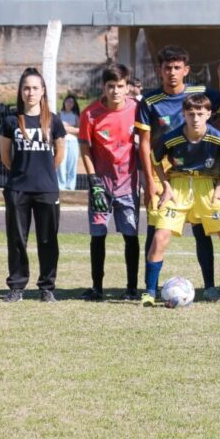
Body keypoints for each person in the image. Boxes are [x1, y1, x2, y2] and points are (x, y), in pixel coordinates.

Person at [136, 45, 220, 300]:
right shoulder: (150, 101)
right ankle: (149, 290)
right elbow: (144, 143)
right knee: (157, 231)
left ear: (186, 70)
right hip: (161, 174)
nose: (172, 72)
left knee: (201, 229)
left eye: (177, 68)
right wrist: (149, 182)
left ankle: (209, 285)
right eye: (167, 68)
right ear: (159, 70)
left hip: (197, 172)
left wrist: (211, 135)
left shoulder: (202, 93)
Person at [142, 94, 220, 307]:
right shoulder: (172, 137)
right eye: (191, 114)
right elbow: (154, 159)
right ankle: (150, 292)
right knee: (160, 237)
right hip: (178, 187)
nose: (195, 118)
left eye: (200, 114)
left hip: (208, 188)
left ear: (208, 114)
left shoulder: (218, 137)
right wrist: (166, 186)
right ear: (184, 115)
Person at [0, 67, 66, 303]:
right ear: (20, 91)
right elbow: (6, 157)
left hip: (46, 189)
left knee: (48, 240)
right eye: (26, 87)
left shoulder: (54, 120)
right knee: (17, 239)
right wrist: (22, 173)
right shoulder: (10, 120)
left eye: (35, 88)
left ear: (43, 91)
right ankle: (17, 287)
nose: (30, 92)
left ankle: (47, 288)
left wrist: (44, 173)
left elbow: (59, 154)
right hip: (18, 189)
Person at [78, 64, 140, 301]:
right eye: (111, 86)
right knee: (98, 235)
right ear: (103, 87)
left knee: (130, 236)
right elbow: (85, 149)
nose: (115, 91)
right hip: (100, 186)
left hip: (129, 185)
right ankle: (97, 287)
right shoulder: (90, 114)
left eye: (120, 86)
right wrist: (93, 181)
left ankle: (132, 288)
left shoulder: (137, 109)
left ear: (128, 87)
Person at [58, 94, 80, 190]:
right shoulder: (59, 114)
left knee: (72, 165)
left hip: (73, 142)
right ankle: (61, 187)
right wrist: (71, 129)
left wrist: (65, 128)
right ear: (64, 102)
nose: (69, 104)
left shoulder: (76, 116)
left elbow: (79, 130)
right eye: (68, 101)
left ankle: (71, 187)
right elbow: (57, 128)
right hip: (61, 142)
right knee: (61, 165)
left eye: (72, 102)